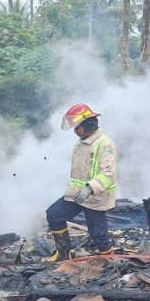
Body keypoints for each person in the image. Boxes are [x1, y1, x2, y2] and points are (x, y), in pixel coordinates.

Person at [42, 104, 117, 262]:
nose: (75, 132)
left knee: (98, 235)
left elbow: (108, 173)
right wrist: (80, 190)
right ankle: (63, 255)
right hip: (77, 194)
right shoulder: (80, 143)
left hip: (96, 198)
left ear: (87, 125)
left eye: (77, 128)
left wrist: (90, 189)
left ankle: (110, 262)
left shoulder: (105, 144)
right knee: (54, 215)